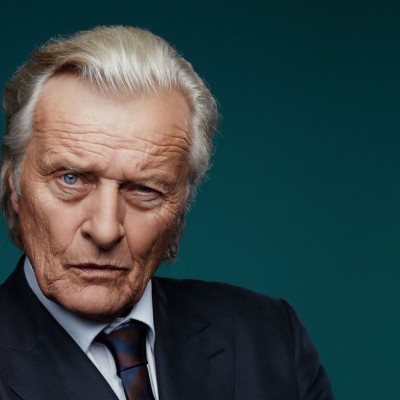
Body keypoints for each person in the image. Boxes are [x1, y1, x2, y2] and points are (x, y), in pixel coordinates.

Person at [0, 26, 334, 399]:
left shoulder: (270, 337)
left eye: (145, 189)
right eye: (71, 179)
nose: (106, 230)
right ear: (14, 184)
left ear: (182, 205)